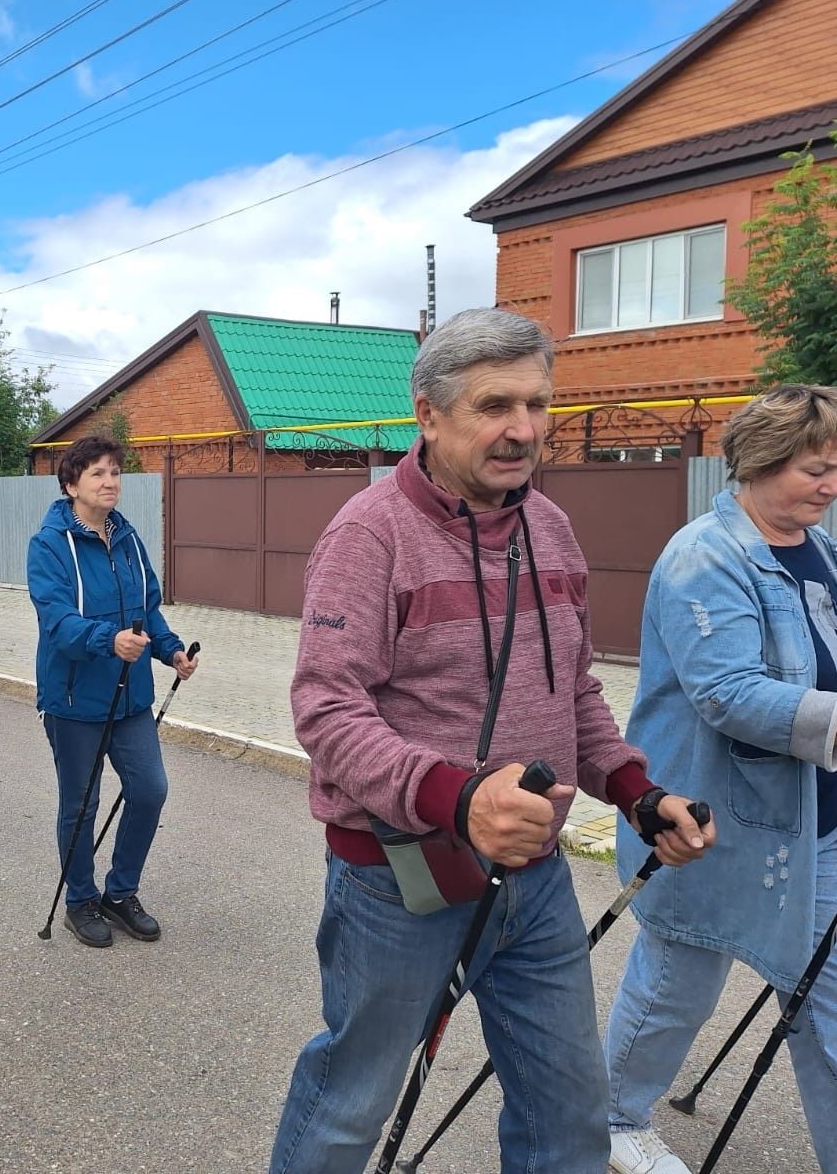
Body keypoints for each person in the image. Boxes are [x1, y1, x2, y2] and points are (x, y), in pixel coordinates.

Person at [266, 308, 713, 1174]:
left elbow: (571, 687)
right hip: (399, 872)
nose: (523, 430)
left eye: (538, 405)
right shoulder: (370, 534)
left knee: (568, 1109)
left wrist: (634, 792)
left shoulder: (549, 527)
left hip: (533, 875)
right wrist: (460, 799)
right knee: (356, 1097)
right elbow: (327, 710)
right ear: (428, 414)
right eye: (495, 405)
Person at [602, 385, 837, 1174]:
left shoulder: (826, 551)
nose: (834, 486)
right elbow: (730, 694)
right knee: (679, 985)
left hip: (821, 821)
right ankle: (611, 1117)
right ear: (762, 460)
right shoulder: (706, 556)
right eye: (817, 468)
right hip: (708, 822)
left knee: (834, 1007)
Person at [26, 435, 197, 949]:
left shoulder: (127, 538)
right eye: (97, 473)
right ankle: (80, 899)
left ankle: (120, 893)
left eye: (115, 472)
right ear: (70, 484)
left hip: (131, 699)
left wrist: (169, 651)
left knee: (150, 790)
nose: (109, 482)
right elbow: (57, 622)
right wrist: (108, 640)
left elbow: (147, 610)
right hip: (75, 700)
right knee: (81, 804)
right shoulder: (49, 544)